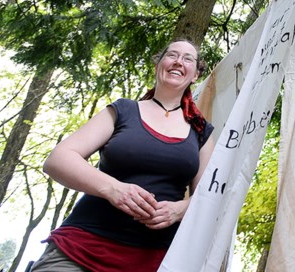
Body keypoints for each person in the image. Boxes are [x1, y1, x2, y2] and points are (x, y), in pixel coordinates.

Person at [31, 39, 215, 272]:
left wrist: (179, 210)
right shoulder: (123, 110)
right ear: (159, 64)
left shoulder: (201, 132)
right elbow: (58, 159)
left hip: (154, 260)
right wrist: (114, 189)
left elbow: (206, 197)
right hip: (80, 249)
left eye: (188, 58)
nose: (178, 61)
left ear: (196, 74)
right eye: (172, 55)